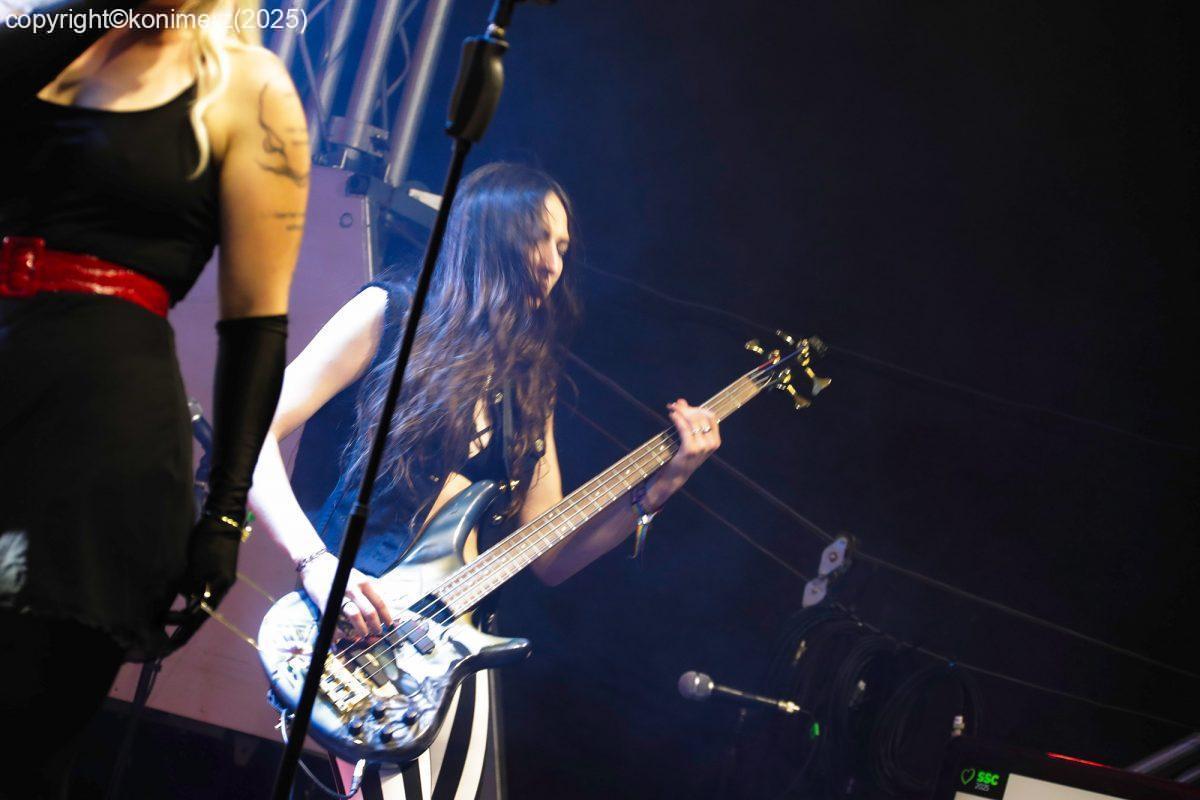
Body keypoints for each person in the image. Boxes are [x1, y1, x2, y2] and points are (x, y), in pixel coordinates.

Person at [249, 162, 723, 799]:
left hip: (449, 664)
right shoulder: (391, 313)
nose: (553, 264)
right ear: (486, 233)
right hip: (360, 633)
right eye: (538, 238)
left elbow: (550, 555)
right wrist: (315, 563)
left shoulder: (528, 384)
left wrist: (661, 489)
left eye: (563, 248)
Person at [0, 0, 308, 796]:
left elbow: (257, 327)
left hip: (98, 447)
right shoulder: (39, 35)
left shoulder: (248, 88)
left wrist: (226, 515)